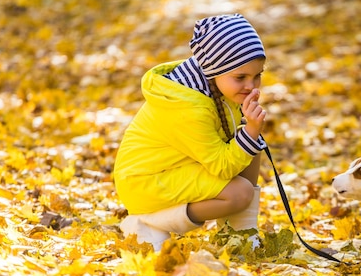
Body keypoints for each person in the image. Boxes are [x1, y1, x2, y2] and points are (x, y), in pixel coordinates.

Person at [113, 13, 268, 250]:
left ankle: (239, 233)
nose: (251, 86)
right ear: (215, 69)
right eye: (241, 77)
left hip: (173, 168)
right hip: (145, 181)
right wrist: (251, 133)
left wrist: (250, 134)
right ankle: (148, 222)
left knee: (251, 146)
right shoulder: (190, 107)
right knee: (239, 193)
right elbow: (222, 166)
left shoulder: (216, 87)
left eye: (257, 76)